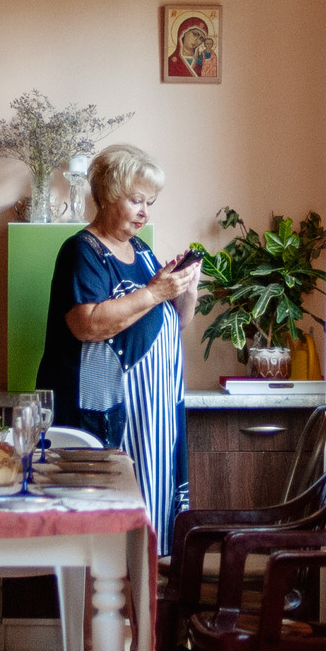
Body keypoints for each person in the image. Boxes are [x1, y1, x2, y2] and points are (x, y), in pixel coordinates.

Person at [36, 143, 199, 539]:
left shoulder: (140, 250)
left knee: (148, 524)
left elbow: (172, 324)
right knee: (105, 531)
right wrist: (156, 292)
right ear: (108, 196)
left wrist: (186, 290)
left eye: (150, 202)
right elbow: (87, 325)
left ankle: (146, 596)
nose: (145, 212)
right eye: (136, 200)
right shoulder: (81, 251)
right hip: (107, 415)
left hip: (154, 417)